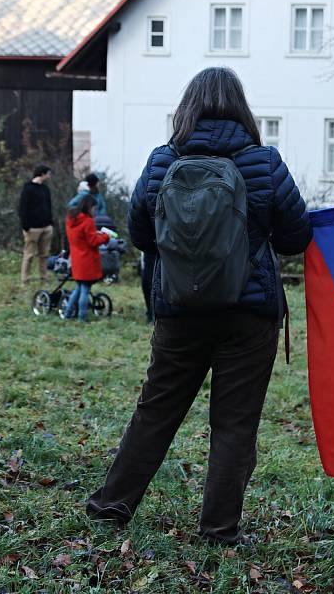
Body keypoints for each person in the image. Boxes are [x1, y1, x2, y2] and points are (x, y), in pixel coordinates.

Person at [86, 66, 313, 545]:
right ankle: (218, 530)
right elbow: (296, 238)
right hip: (248, 317)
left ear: (187, 107)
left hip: (179, 311)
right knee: (234, 424)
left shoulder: (161, 161)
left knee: (156, 411)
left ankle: (110, 507)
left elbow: (142, 237)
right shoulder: (264, 162)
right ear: (241, 109)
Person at [64, 194, 110, 321]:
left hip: (76, 260)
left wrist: (96, 234)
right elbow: (93, 241)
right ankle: (82, 317)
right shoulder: (88, 221)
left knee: (78, 289)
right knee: (84, 290)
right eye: (94, 208)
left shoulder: (71, 220)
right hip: (87, 261)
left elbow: (83, 237)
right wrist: (105, 236)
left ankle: (68, 313)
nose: (95, 211)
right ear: (89, 207)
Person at [18, 164, 53, 285]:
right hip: (33, 228)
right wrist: (25, 226)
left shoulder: (45, 189)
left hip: (46, 227)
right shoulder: (28, 188)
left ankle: (44, 278)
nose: (49, 176)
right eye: (48, 174)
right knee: (29, 255)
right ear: (42, 174)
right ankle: (25, 280)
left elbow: (48, 206)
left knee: (44, 255)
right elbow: (23, 208)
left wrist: (50, 222)